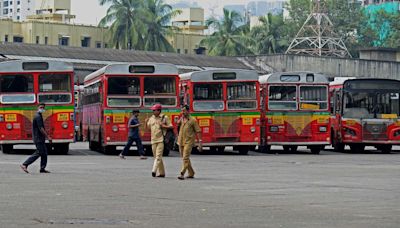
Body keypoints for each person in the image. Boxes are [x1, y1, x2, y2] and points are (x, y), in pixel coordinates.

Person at [20, 103, 52, 174]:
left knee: (44, 153)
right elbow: (41, 128)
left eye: (43, 107)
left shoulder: (39, 115)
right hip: (38, 138)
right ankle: (25, 164)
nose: (42, 109)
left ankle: (42, 168)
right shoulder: (37, 116)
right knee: (39, 152)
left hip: (40, 138)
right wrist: (48, 137)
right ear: (37, 108)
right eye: (41, 107)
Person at [145, 104, 173, 178]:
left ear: (159, 110)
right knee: (156, 157)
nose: (153, 111)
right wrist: (146, 122)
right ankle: (162, 173)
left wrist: (164, 126)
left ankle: (154, 170)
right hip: (153, 140)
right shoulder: (151, 118)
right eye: (153, 110)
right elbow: (148, 129)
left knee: (158, 156)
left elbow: (171, 126)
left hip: (161, 139)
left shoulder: (164, 117)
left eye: (154, 110)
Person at [177, 105, 202, 180]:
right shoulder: (181, 119)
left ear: (188, 111)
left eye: (184, 111)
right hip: (181, 141)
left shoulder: (193, 120)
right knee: (184, 158)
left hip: (189, 141)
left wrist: (200, 142)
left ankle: (182, 173)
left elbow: (198, 131)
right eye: (182, 111)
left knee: (185, 157)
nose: (182, 112)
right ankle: (191, 173)